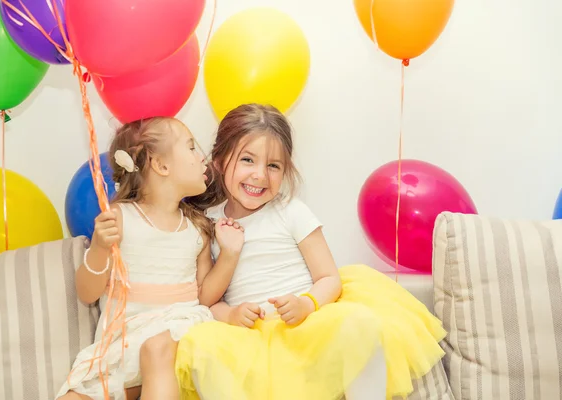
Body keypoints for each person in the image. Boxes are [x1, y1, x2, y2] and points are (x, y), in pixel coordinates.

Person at [176, 104, 447, 400]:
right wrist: (230, 314)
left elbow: (329, 277)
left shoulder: (291, 212)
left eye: (273, 166)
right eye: (247, 160)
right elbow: (207, 299)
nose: (259, 175)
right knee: (201, 346)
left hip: (307, 324)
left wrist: (307, 304)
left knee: (360, 324)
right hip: (251, 337)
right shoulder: (209, 223)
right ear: (219, 161)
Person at [56, 117, 245, 400]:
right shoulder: (120, 218)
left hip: (176, 336)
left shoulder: (196, 229)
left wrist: (229, 256)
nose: (201, 156)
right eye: (191, 147)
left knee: (156, 350)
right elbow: (87, 292)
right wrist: (98, 248)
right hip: (125, 346)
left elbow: (205, 296)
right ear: (161, 165)